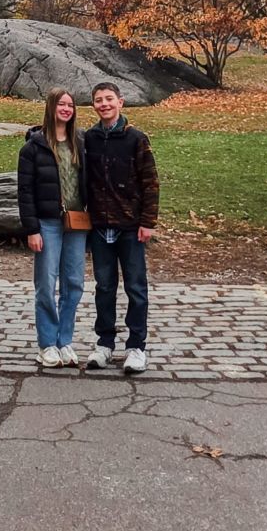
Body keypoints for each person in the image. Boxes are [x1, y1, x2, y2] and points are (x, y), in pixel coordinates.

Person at [84, 81, 159, 374]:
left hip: (130, 226)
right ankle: (104, 343)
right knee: (104, 287)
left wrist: (147, 222)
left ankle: (136, 346)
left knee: (136, 287)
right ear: (94, 105)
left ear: (120, 102)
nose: (104, 104)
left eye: (109, 99)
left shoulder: (136, 138)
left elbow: (150, 182)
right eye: (99, 100)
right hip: (100, 226)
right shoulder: (89, 138)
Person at [17, 87, 89, 368]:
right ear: (51, 107)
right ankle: (47, 344)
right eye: (61, 104)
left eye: (70, 105)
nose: (66, 109)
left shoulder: (80, 142)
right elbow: (25, 192)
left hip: (76, 222)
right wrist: (31, 229)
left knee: (74, 283)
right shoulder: (33, 147)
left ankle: (64, 341)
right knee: (46, 285)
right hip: (47, 223)